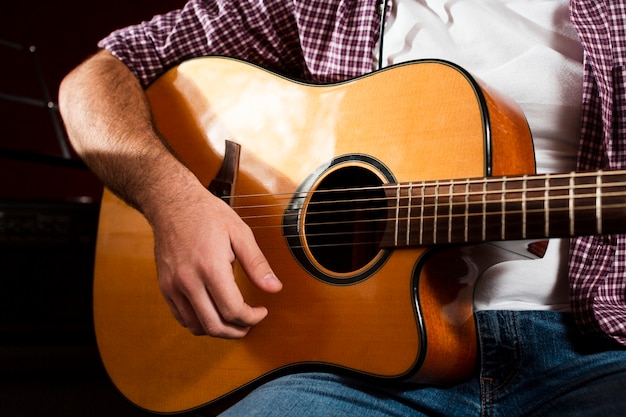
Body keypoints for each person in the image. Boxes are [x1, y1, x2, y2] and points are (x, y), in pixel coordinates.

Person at [58, 1, 626, 415]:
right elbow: (96, 78)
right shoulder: (326, 5)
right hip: (354, 375)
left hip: (597, 354)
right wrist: (172, 201)